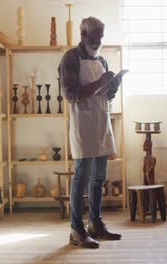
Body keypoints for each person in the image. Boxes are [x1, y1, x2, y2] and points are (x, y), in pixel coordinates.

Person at [58, 16, 122, 249]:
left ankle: (95, 224)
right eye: (94, 38)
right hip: (83, 124)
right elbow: (71, 93)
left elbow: (106, 95)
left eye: (101, 38)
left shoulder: (102, 60)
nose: (98, 42)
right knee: (82, 177)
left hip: (101, 122)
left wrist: (112, 86)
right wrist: (100, 82)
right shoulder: (70, 59)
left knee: (98, 178)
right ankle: (76, 229)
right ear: (84, 36)